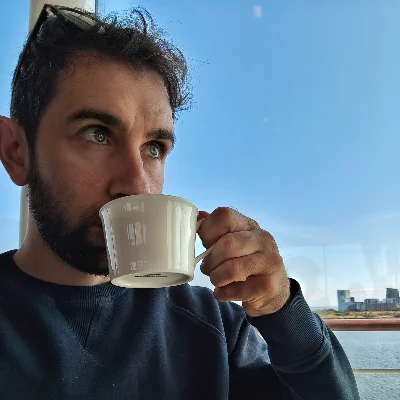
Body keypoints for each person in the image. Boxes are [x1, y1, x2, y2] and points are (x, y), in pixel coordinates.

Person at [0, 5, 359, 400]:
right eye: (97, 134)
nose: (138, 184)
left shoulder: (215, 327)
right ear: (16, 151)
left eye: (154, 148)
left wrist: (280, 309)